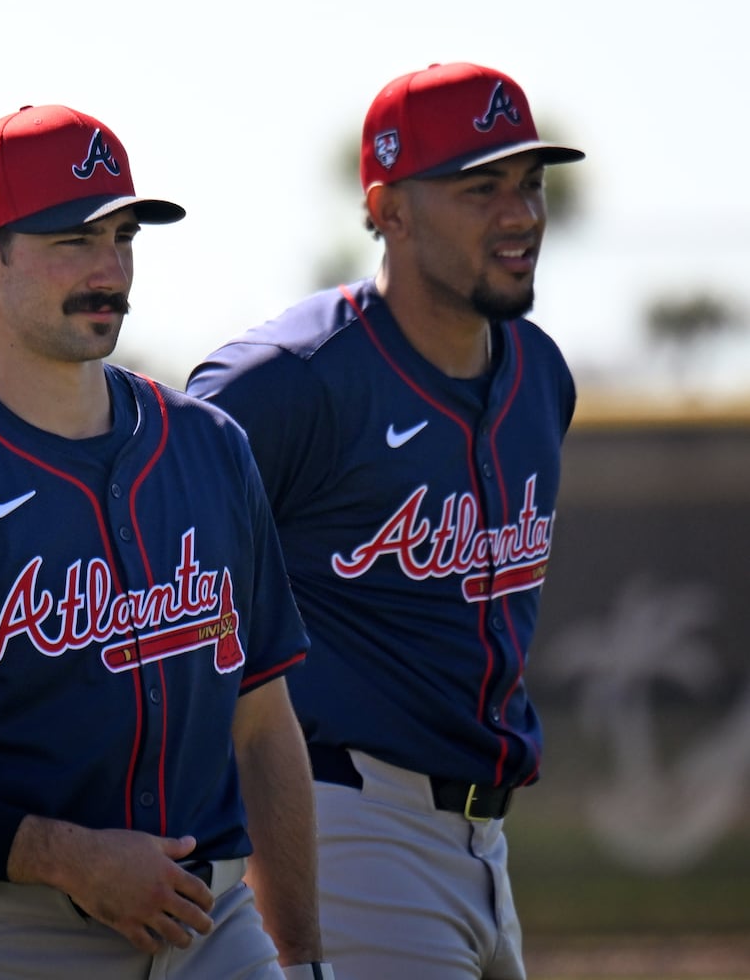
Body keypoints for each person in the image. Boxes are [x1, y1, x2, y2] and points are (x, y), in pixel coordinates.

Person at [0, 104, 331, 980]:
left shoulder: (208, 447)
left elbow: (263, 722)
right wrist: (65, 857)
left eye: (121, 235)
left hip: (215, 928)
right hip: (13, 936)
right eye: (72, 240)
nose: (109, 268)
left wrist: (301, 956)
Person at [187, 62, 584, 980]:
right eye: (480, 186)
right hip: (347, 821)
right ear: (390, 208)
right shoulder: (289, 379)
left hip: (486, 841)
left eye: (530, 183)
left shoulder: (539, 371)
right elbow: (154, 567)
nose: (520, 212)